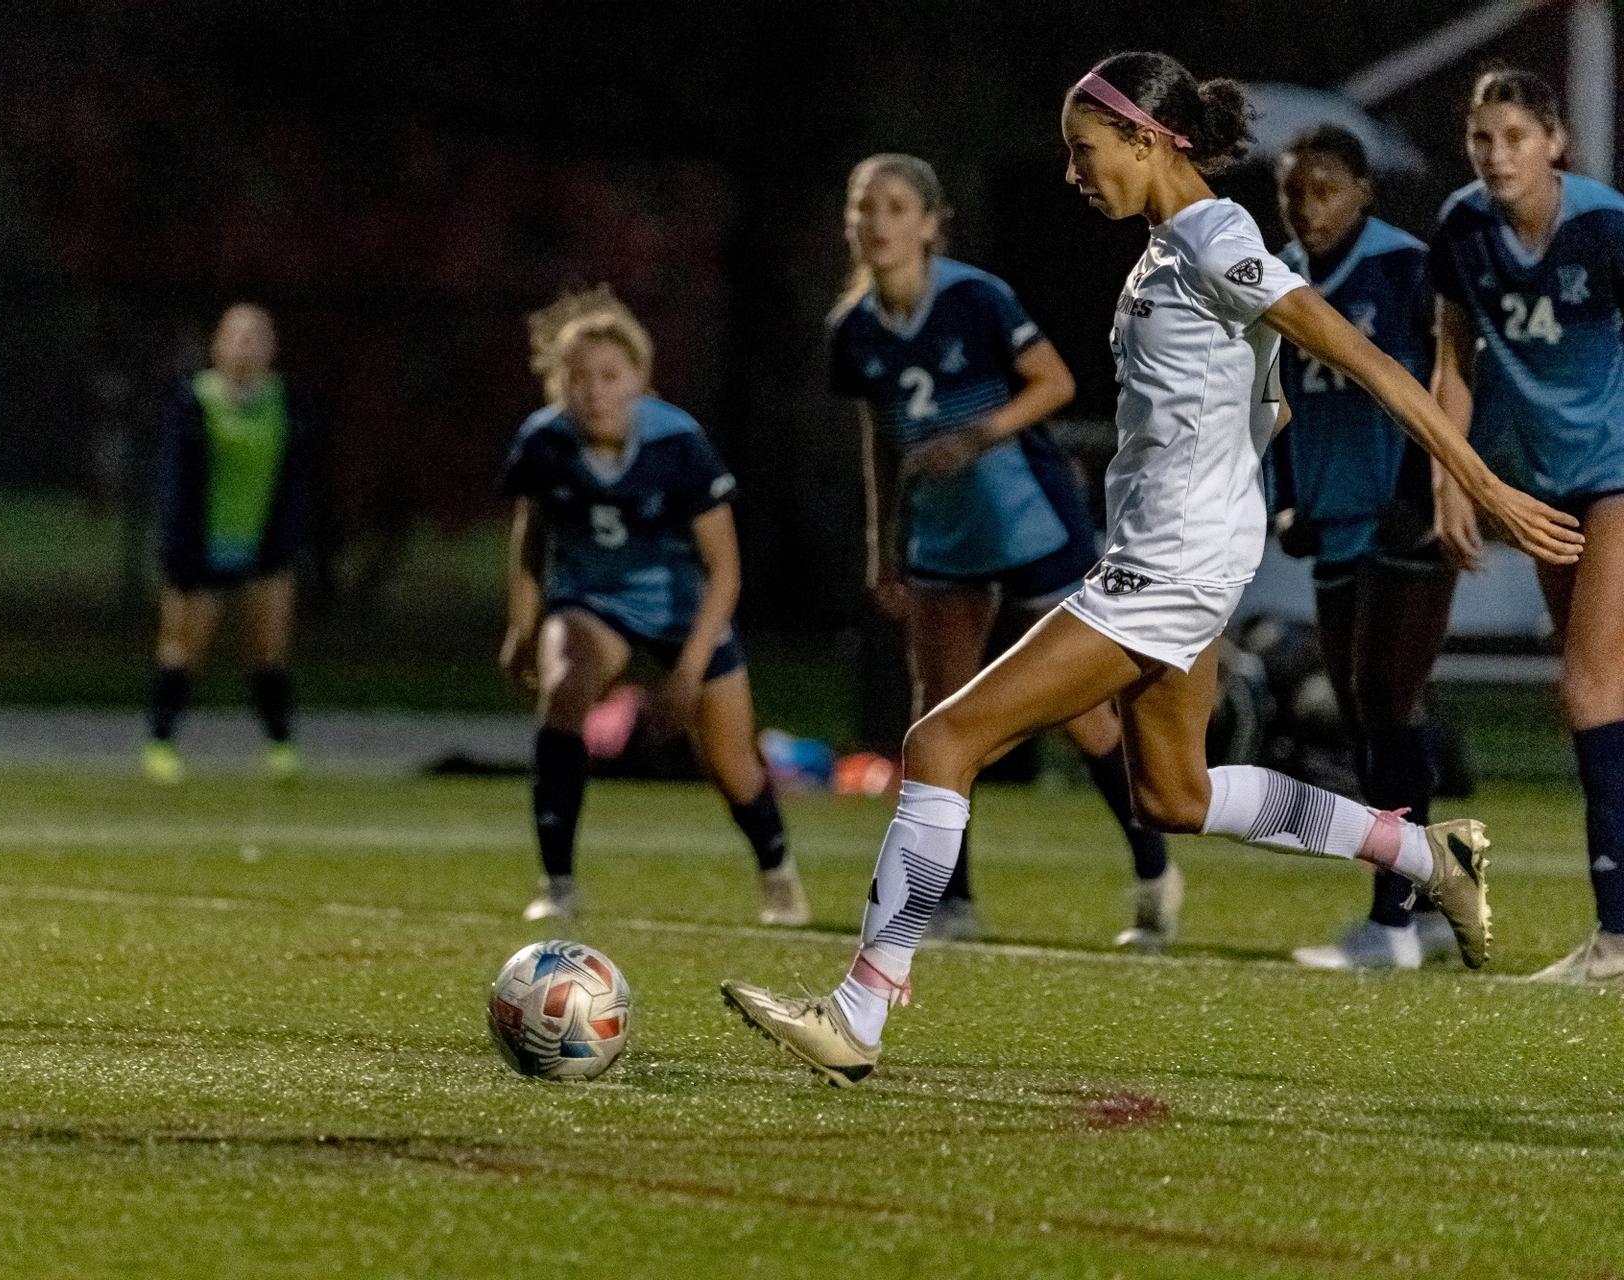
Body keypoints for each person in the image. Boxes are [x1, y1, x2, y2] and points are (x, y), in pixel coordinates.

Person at [720, 51, 1581, 1086]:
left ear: (1150, 139)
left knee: (939, 740)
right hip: (1178, 553)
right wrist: (1238, 451)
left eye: (1087, 152)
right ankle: (1427, 854)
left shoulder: (1216, 238)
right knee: (1172, 792)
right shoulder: (1171, 248)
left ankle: (857, 1013)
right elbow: (1270, 395)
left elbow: (1358, 353)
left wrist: (1478, 480)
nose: (1076, 173)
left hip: (1169, 564)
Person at [829, 153, 1178, 949]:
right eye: (862, 207)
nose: (875, 222)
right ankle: (950, 900)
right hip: (944, 532)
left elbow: (1054, 382)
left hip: (1028, 517)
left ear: (928, 223)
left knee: (1081, 714)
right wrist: (883, 548)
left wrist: (975, 436)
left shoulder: (974, 298)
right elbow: (880, 443)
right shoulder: (852, 330)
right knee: (940, 712)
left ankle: (1155, 868)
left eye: (891, 207)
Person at [499, 288, 811, 926]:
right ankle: (557, 883)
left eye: (610, 375)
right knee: (565, 688)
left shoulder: (678, 442)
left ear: (639, 378)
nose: (594, 390)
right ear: (559, 384)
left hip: (683, 610)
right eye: (578, 377)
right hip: (591, 599)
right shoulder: (542, 442)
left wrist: (689, 671)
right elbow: (530, 536)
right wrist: (523, 624)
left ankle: (777, 869)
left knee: (731, 765)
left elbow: (724, 570)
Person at [1426, 71, 1624, 983]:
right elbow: (1451, 358)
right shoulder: (1462, 226)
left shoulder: (1605, 223)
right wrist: (1452, 479)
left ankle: (1617, 939)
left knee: (1589, 688)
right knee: (1599, 691)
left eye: (1514, 136)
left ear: (1555, 141)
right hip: (1544, 484)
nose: (1497, 155)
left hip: (1618, 474)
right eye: (1482, 139)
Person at [1266, 127, 1462, 971]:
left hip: (1405, 516)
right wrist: (1283, 501)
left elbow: (1459, 371)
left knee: (1385, 700)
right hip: (1334, 518)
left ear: (1364, 189)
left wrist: (1431, 489)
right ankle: (1428, 892)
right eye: (1293, 192)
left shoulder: (1404, 267)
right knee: (1363, 713)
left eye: (1325, 188)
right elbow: (1270, 393)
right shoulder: (1274, 274)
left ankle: (1394, 919)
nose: (1309, 207)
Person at [143, 302, 313, 784]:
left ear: (272, 347)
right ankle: (161, 743)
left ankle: (280, 745)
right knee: (182, 649)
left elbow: (296, 479)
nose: (248, 346)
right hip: (200, 551)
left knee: (269, 650)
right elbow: (175, 483)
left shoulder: (286, 402)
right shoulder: (193, 401)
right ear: (217, 344)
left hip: (263, 549)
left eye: (258, 336)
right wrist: (178, 548)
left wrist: (288, 538)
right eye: (238, 336)